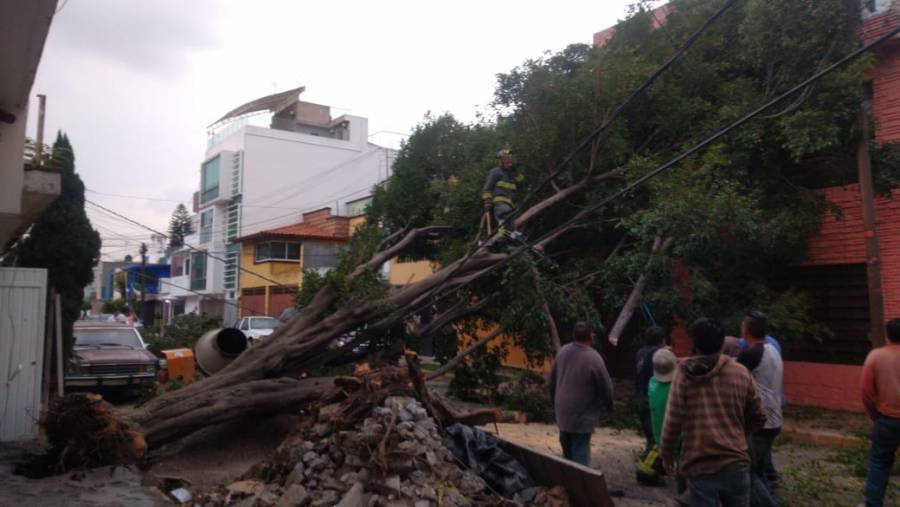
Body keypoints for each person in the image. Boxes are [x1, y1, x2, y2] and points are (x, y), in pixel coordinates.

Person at [661, 318, 767, 507]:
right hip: (736, 464)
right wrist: (739, 435)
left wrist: (667, 453)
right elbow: (759, 415)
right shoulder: (740, 372)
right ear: (721, 342)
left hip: (700, 464)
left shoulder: (684, 375)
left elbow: (673, 421)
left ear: (695, 342)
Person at [548, 321, 614, 467]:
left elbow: (551, 381)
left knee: (567, 451)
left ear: (573, 336)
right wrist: (609, 407)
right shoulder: (594, 358)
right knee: (580, 455)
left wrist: (554, 402)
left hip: (563, 412)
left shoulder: (562, 352)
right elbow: (606, 388)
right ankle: (580, 486)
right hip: (582, 416)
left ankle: (567, 484)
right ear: (591, 337)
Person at [741, 311, 784, 491]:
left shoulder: (752, 354)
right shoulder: (772, 349)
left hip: (760, 420)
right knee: (759, 465)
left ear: (747, 330)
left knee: (751, 473)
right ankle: (770, 484)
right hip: (774, 417)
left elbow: (732, 376)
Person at [860, 318, 900, 507]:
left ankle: (873, 503)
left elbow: (866, 391)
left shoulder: (876, 356)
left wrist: (874, 415)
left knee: (879, 462)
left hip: (886, 419)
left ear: (887, 334)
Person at [635, 326, 666, 449]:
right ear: (662, 340)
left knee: (650, 437)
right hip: (651, 399)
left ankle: (647, 462)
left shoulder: (640, 352)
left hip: (641, 398)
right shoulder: (656, 353)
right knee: (656, 439)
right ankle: (649, 466)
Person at [482, 149, 523, 239]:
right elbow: (488, 188)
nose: (509, 163)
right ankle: (502, 238)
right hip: (500, 200)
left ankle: (510, 239)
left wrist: (515, 171)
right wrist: (487, 201)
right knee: (504, 216)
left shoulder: (512, 173)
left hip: (511, 203)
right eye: (506, 160)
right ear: (501, 161)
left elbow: (521, 183)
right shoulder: (495, 172)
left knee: (511, 222)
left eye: (510, 161)